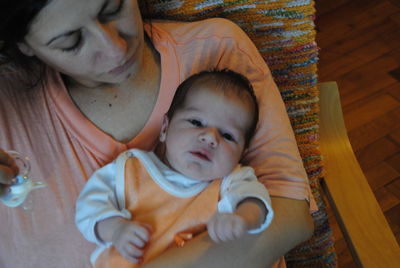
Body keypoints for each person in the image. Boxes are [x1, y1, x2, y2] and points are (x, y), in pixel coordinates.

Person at [0, 0, 315, 267]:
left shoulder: (217, 55)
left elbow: (290, 215)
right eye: (71, 41)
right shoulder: (9, 111)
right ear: (24, 44)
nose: (115, 49)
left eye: (114, 8)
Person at [75, 69, 274, 267]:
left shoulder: (231, 181)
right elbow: (89, 208)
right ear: (164, 129)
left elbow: (256, 201)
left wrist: (242, 219)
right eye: (196, 122)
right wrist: (116, 230)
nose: (210, 138)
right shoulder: (130, 170)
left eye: (228, 136)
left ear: (242, 152)